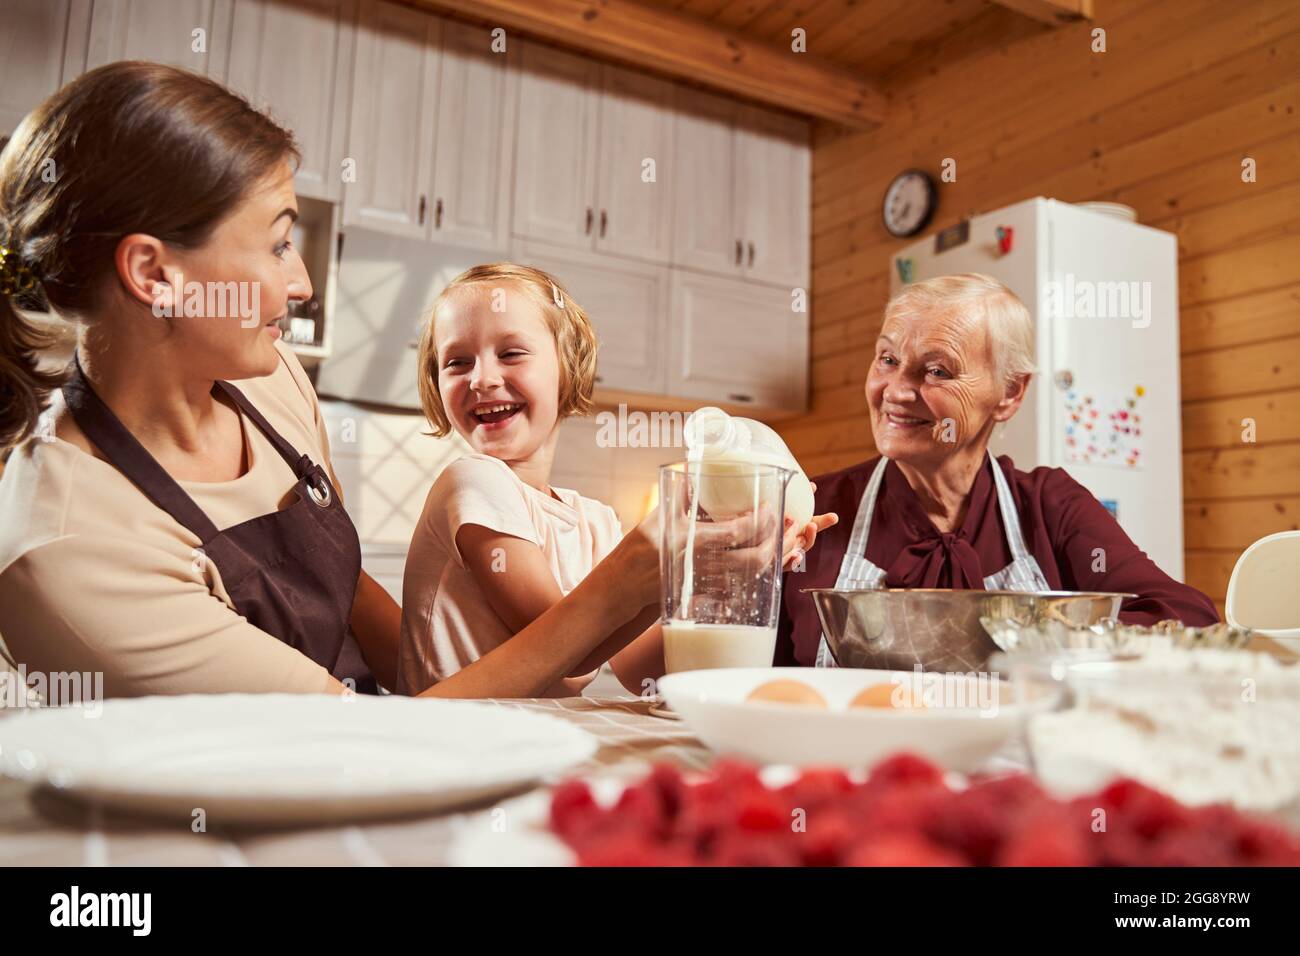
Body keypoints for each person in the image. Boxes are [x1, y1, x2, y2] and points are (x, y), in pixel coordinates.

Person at [0, 62, 830, 699]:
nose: (303, 287)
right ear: (155, 272)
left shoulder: (270, 379)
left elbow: (337, 585)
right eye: (281, 241)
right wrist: (637, 575)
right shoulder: (68, 552)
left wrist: (426, 679)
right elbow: (338, 752)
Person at [776, 273, 1218, 668]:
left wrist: (1034, 642)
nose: (896, 391)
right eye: (888, 360)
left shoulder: (1050, 507)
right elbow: (745, 661)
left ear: (1009, 393)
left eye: (935, 370)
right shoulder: (817, 509)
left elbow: (1187, 617)